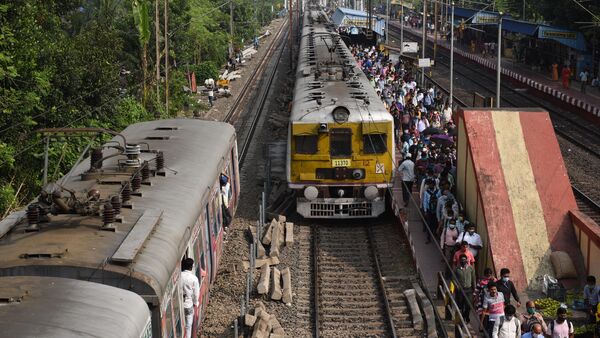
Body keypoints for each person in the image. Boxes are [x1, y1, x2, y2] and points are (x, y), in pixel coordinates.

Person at [454, 254, 476, 323]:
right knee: (460, 304)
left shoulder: (470, 268)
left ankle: (466, 316)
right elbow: (453, 279)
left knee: (468, 304)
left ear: (466, 260)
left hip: (469, 289)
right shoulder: (456, 269)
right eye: (462, 260)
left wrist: (474, 288)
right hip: (460, 290)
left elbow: (473, 279)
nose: (463, 261)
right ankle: (462, 318)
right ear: (459, 261)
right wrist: (456, 286)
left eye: (464, 260)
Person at [181, 258, 200, 338]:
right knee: (188, 326)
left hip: (180, 304)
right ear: (191, 267)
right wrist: (196, 303)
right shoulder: (194, 278)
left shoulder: (179, 276)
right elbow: (196, 294)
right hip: (188, 305)